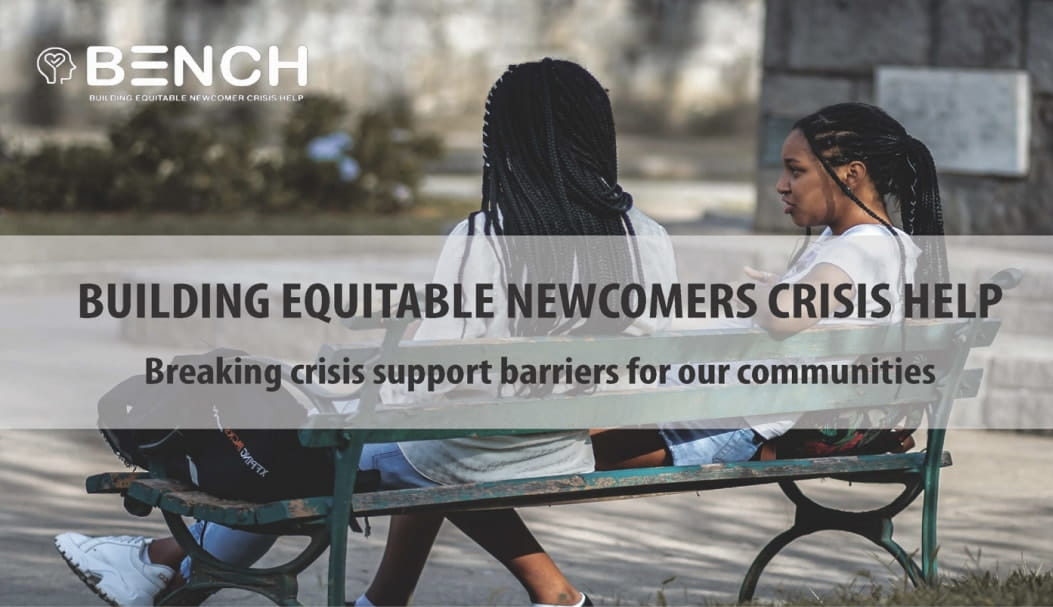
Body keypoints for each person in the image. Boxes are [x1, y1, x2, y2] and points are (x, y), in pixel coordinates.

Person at [55, 58, 676, 607]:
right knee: (387, 440)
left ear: (507, 141)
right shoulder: (645, 235)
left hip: (475, 448)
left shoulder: (488, 236)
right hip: (559, 447)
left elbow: (441, 378)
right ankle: (181, 568)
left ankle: (163, 564)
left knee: (307, 442)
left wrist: (349, 391)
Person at [590, 101, 948, 470]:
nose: (781, 185)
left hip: (714, 423)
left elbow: (787, 316)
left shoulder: (865, 246)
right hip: (706, 410)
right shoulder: (875, 244)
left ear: (850, 175)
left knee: (552, 453)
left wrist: (757, 297)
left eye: (796, 171)